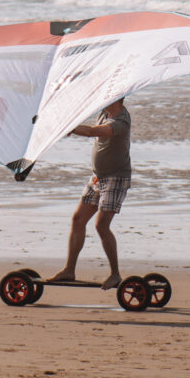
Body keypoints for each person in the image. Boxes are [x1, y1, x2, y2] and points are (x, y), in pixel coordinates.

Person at [48, 98, 132, 290]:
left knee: (101, 225)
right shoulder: (105, 112)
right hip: (97, 178)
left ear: (117, 99)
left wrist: (70, 127)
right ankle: (69, 270)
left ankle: (115, 274)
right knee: (78, 219)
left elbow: (94, 132)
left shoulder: (121, 122)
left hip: (115, 178)